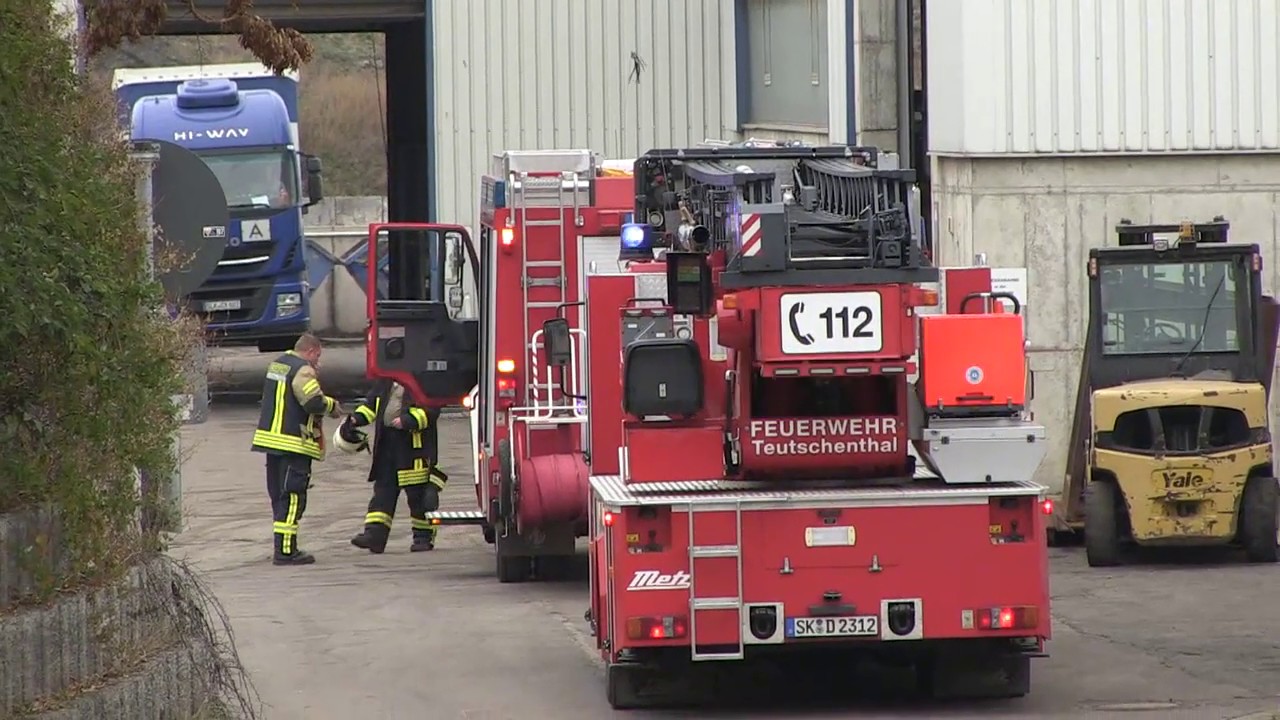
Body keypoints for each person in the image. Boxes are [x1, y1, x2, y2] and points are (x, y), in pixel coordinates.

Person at [250, 334, 344, 565]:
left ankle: (280, 546)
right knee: (292, 497)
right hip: (294, 443)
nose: (317, 362)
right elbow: (312, 401)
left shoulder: (278, 364)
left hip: (270, 441)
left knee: (278, 497)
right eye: (317, 356)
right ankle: (286, 552)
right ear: (311, 351)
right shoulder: (303, 370)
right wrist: (332, 405)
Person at [341, 378, 450, 554]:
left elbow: (430, 411)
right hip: (387, 446)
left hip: (413, 448)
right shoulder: (384, 382)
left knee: (418, 496)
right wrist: (355, 419)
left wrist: (407, 421)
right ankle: (374, 536)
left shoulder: (423, 381)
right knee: (383, 493)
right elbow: (370, 406)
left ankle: (423, 538)